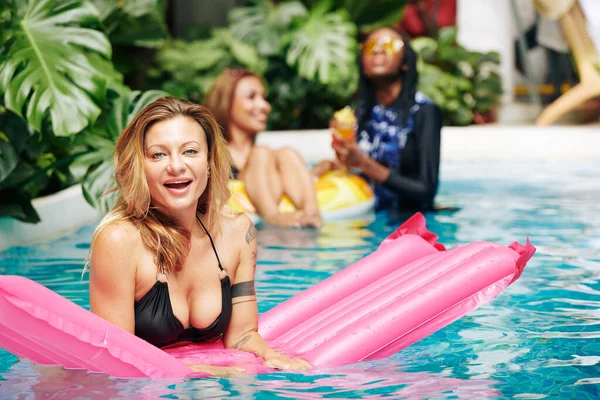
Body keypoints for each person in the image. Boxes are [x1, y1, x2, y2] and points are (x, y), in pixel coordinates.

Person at [88, 97, 310, 377]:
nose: (176, 166)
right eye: (158, 155)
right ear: (140, 167)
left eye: (190, 151)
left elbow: (241, 334)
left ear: (208, 161)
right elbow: (115, 358)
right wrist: (202, 370)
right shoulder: (119, 240)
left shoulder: (238, 232)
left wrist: (272, 356)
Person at [313, 27, 442, 211]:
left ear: (405, 62)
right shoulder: (359, 114)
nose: (378, 50)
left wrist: (364, 164)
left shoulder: (424, 111)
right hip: (368, 218)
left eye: (390, 45)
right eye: (370, 45)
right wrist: (337, 165)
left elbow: (426, 190)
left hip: (411, 223)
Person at [205, 69, 321, 228]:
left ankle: (312, 213)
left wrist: (321, 169)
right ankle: (272, 215)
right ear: (226, 102)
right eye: (251, 97)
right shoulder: (213, 154)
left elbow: (295, 179)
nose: (264, 106)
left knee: (287, 153)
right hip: (255, 232)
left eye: (264, 98)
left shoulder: (275, 158)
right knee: (261, 153)